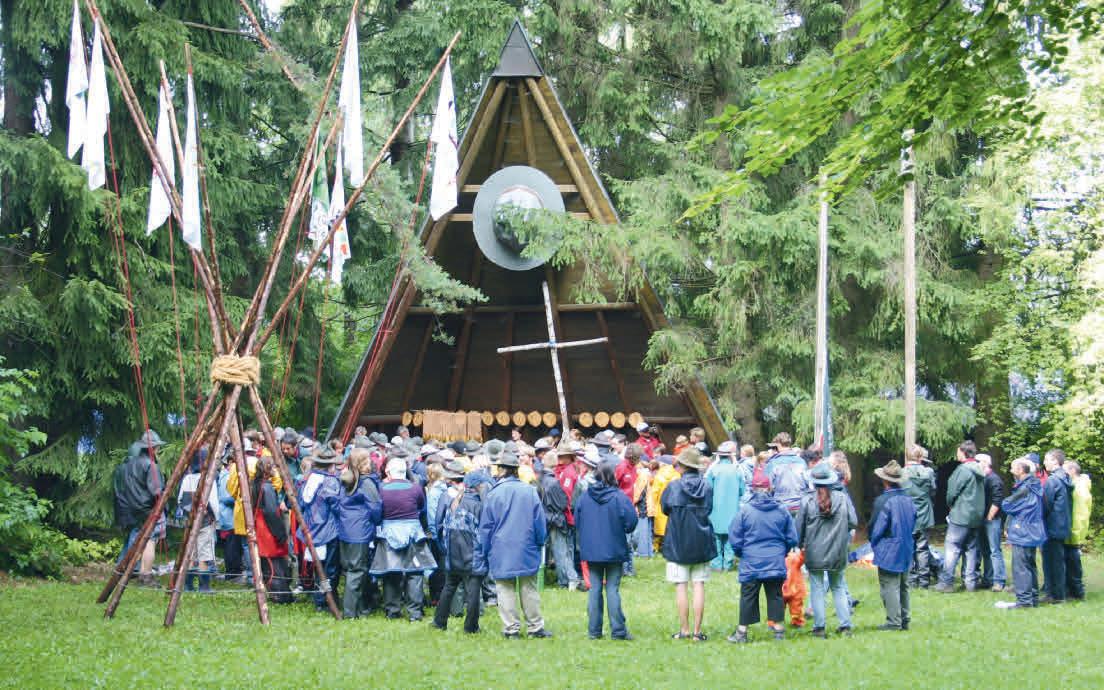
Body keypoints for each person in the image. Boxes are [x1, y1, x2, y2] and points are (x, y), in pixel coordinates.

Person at [479, 451, 552, 639]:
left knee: (505, 588)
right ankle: (535, 627)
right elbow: (539, 522)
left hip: (501, 548)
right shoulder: (529, 491)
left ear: (502, 470)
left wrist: (485, 550)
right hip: (526, 545)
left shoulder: (494, 494)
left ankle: (511, 629)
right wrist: (540, 541)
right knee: (529, 588)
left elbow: (486, 527)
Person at [726, 471, 798, 643]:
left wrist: (741, 553)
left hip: (751, 560)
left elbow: (734, 537)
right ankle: (779, 631)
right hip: (775, 560)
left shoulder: (745, 511)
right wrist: (782, 552)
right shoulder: (782, 510)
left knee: (748, 595)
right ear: (770, 488)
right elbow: (792, 537)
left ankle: (742, 632)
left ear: (752, 489)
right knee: (775, 594)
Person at [574, 462, 638, 640]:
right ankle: (618, 630)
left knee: (594, 589)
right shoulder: (619, 497)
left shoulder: (585, 497)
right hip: (614, 548)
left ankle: (594, 631)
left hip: (592, 550)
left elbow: (577, 521)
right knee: (612, 589)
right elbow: (631, 521)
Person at [370, 457, 435, 621]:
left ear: (387, 472)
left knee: (391, 572)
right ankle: (415, 613)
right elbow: (422, 509)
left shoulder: (381, 489)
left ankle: (392, 611)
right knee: (415, 573)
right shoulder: (416, 488)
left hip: (389, 533)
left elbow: (378, 512)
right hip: (413, 533)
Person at [661, 448, 716, 641]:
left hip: (678, 541)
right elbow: (709, 508)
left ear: (683, 466)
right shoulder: (707, 486)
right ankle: (697, 632)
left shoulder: (674, 486)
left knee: (681, 586)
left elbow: (665, 508)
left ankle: (684, 630)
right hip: (701, 540)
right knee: (699, 584)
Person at [797, 463, 857, 638]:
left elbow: (798, 529)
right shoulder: (843, 498)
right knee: (838, 586)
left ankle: (819, 628)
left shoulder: (807, 500)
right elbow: (853, 522)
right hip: (838, 550)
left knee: (817, 589)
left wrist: (800, 545)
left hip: (814, 551)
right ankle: (845, 626)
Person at [432, 460, 485, 634]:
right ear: (478, 486)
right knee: (473, 591)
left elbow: (442, 527)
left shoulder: (454, 502)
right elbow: (483, 531)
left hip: (452, 553)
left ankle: (439, 622)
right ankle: (471, 627)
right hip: (472, 554)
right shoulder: (478, 505)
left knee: (449, 587)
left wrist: (444, 548)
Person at [113, 430, 167, 587]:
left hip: (133, 509)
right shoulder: (151, 466)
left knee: (135, 539)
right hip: (148, 509)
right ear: (153, 448)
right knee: (150, 540)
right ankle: (146, 575)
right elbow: (157, 492)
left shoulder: (128, 465)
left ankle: (125, 569)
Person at [869, 460, 916, 631]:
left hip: (889, 547)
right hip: (907, 546)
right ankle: (905, 619)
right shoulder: (908, 499)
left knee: (889, 585)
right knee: (904, 585)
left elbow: (876, 528)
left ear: (885, 480)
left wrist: (874, 543)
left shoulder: (882, 501)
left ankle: (894, 621)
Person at [337, 449, 382, 618]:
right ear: (364, 462)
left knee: (352, 570)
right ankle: (350, 613)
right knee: (356, 571)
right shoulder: (366, 482)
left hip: (345, 530)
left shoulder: (345, 479)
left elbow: (337, 503)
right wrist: (376, 522)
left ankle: (361, 607)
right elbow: (375, 507)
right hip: (360, 531)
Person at [935, 441, 985, 593]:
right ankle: (970, 583)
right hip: (976, 516)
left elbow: (952, 492)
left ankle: (946, 582)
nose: (956, 454)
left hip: (961, 514)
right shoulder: (979, 469)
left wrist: (950, 505)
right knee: (971, 549)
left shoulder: (962, 470)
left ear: (963, 452)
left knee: (952, 548)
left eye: (958, 451)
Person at [999, 456, 1046, 608]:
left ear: (1020, 470)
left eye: (1013, 467)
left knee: (1021, 567)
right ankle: (1033, 598)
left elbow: (1007, 505)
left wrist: (1008, 503)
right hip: (1033, 530)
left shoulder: (1025, 488)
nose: (1011, 470)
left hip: (1023, 531)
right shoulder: (1035, 485)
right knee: (1030, 565)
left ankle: (1024, 600)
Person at [297, 447, 340, 610]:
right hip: (328, 530)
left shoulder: (307, 479)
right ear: (330, 465)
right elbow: (336, 505)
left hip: (311, 528)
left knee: (318, 566)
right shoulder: (330, 482)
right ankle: (327, 600)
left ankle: (320, 599)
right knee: (330, 568)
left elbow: (301, 503)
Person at [253, 457, 293, 604]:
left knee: (268, 562)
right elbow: (270, 512)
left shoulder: (255, 484)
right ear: (268, 469)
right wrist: (280, 533)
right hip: (268, 529)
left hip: (261, 526)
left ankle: (276, 592)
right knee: (274, 563)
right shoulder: (267, 487)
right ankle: (280, 595)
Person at [177, 448, 217, 593]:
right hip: (205, 521)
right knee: (204, 553)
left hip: (190, 521)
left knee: (191, 552)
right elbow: (213, 502)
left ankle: (188, 585)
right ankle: (203, 586)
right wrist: (215, 518)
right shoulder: (208, 480)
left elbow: (180, 499)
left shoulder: (187, 479)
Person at [704, 440, 745, 571]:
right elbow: (742, 491)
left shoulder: (713, 470)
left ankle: (716, 564)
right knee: (729, 538)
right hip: (732, 509)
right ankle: (728, 564)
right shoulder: (737, 470)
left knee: (715, 537)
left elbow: (707, 489)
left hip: (715, 509)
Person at [1040, 449, 1072, 604]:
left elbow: (1045, 505)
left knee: (1051, 562)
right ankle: (1058, 593)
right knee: (1058, 561)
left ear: (1055, 461)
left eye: (1047, 459)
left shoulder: (1052, 480)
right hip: (1061, 526)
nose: (1044, 463)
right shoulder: (1065, 478)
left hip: (1051, 527)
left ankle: (1054, 595)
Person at [549, 445, 583, 591]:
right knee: (567, 549)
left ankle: (567, 579)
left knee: (562, 549)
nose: (560, 458)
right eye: (559, 456)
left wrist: (561, 512)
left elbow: (566, 495)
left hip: (565, 514)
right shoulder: (565, 470)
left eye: (563, 456)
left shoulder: (568, 473)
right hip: (567, 515)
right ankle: (569, 578)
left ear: (570, 457)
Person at [903, 445, 937, 589]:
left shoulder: (901, 473)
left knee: (909, 548)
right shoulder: (928, 472)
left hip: (906, 514)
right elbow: (933, 490)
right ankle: (924, 580)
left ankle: (911, 580)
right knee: (922, 548)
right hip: (924, 513)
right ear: (920, 457)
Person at [977, 454, 1007, 591]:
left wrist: (989, 517)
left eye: (977, 461)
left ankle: (999, 580)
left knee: (995, 550)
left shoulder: (994, 479)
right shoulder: (982, 478)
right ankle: (988, 579)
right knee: (985, 551)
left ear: (985, 463)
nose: (975, 463)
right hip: (982, 519)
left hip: (992, 520)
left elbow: (997, 500)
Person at [1063, 460, 1090, 600]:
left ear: (1072, 470)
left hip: (1074, 533)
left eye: (1064, 469)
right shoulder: (1075, 485)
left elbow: (1080, 513)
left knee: (1073, 564)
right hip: (1071, 531)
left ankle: (1078, 593)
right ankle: (1071, 591)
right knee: (1070, 563)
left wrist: (1075, 533)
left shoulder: (1079, 488)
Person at [615, 444, 643, 576]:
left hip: (630, 507)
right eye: (638, 457)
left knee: (632, 539)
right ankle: (624, 569)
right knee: (625, 540)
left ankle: (629, 568)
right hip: (620, 507)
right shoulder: (621, 467)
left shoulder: (634, 468)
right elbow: (614, 486)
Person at [765, 432, 808, 517]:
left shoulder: (773, 463)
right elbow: (808, 484)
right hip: (800, 505)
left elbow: (767, 488)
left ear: (778, 444)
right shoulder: (802, 462)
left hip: (780, 507)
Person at [648, 454, 680, 553]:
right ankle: (669, 547)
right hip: (674, 505)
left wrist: (652, 505)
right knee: (671, 528)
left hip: (660, 505)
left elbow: (654, 492)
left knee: (658, 530)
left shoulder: (660, 475)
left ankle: (655, 547)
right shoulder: (677, 474)